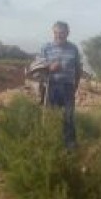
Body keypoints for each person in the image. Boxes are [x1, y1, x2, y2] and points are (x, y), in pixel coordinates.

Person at [39, 21, 82, 149]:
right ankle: (50, 145)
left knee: (68, 118)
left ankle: (70, 147)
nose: (58, 36)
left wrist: (75, 86)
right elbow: (39, 67)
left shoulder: (73, 48)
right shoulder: (46, 48)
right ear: (53, 33)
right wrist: (49, 67)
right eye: (56, 33)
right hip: (51, 86)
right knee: (51, 116)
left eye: (62, 33)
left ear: (67, 33)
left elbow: (78, 69)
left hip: (68, 87)